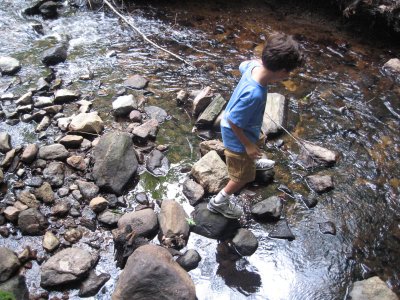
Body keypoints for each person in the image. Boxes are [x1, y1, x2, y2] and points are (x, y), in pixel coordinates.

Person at [207, 32, 303, 219]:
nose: (289, 75)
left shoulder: (253, 66)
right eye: (289, 72)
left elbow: (243, 65)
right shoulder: (254, 94)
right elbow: (233, 120)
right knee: (242, 177)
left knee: (256, 142)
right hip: (237, 138)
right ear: (282, 71)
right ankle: (219, 202)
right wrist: (247, 145)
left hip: (246, 127)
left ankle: (252, 161)